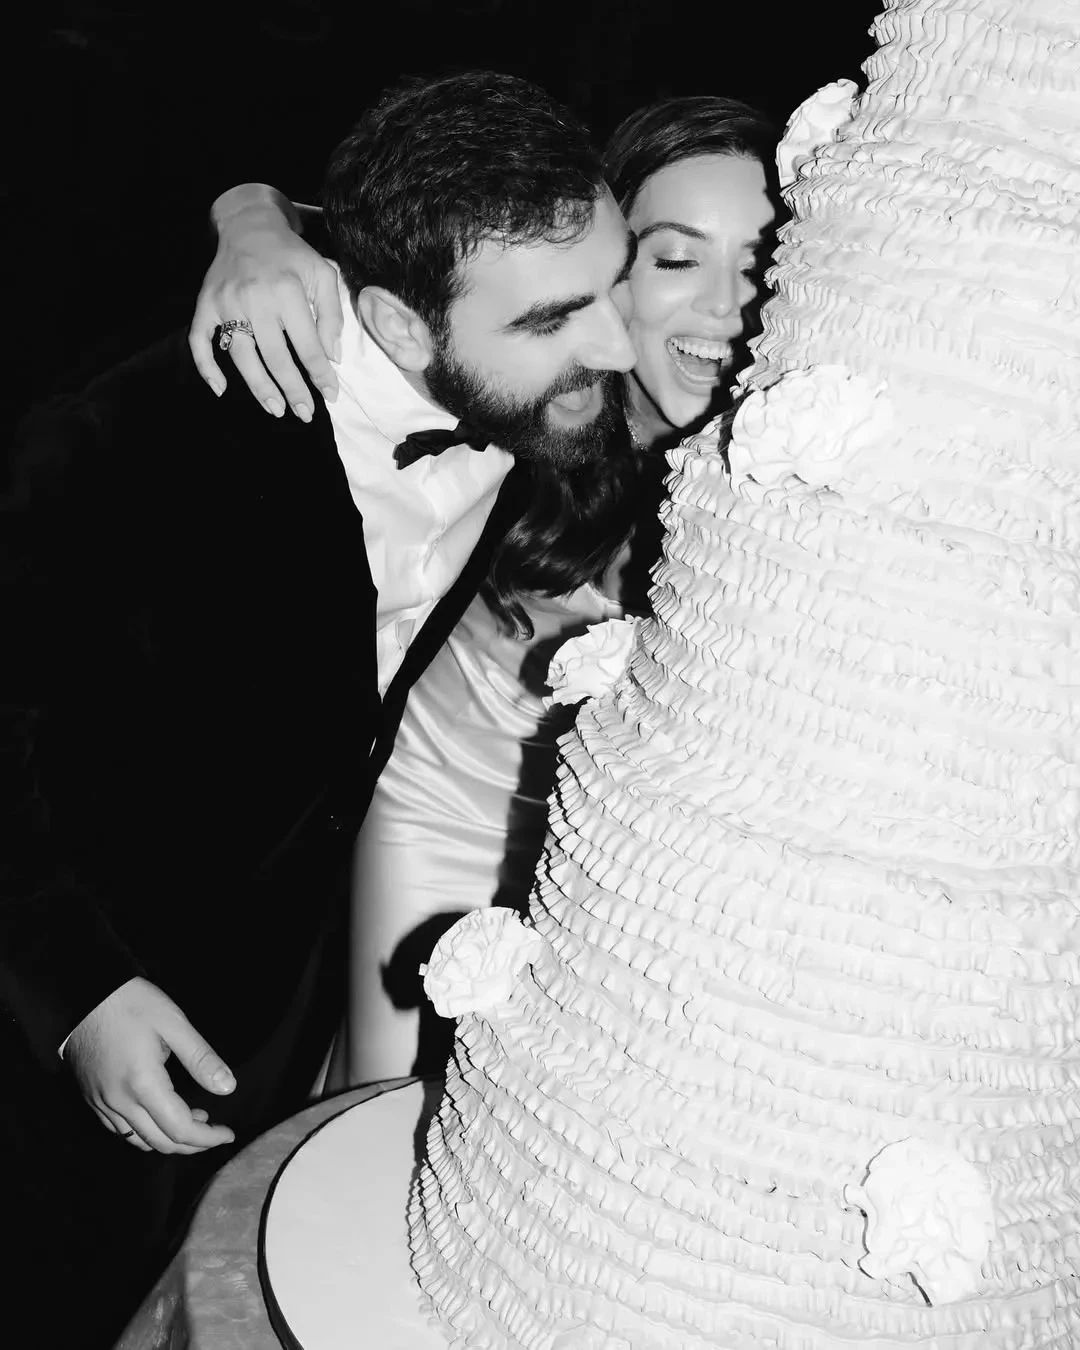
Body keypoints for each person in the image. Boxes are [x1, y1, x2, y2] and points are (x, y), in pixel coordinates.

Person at [1, 69, 636, 1350]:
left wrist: (255, 210)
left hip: (283, 967)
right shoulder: (127, 432)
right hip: (85, 987)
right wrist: (78, 993)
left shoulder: (528, 381)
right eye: (557, 317)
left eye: (612, 286)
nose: (616, 344)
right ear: (397, 324)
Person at [191, 94, 778, 1083]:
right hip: (437, 812)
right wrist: (250, 219)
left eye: (758, 262)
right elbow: (400, 242)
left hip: (634, 875)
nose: (728, 306)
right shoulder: (522, 387)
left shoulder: (794, 464)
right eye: (676, 259)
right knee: (390, 1108)